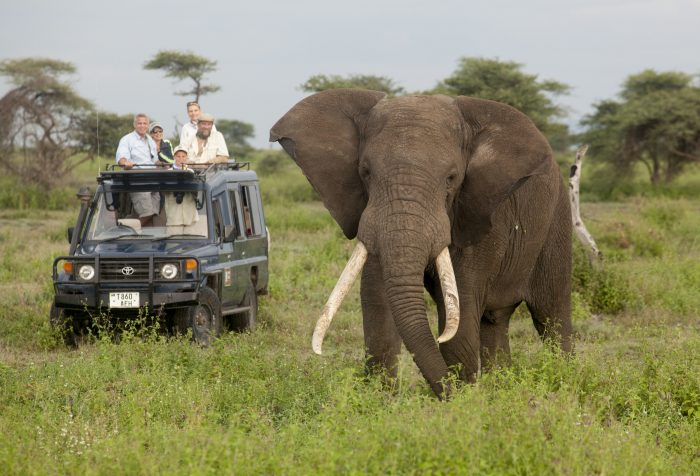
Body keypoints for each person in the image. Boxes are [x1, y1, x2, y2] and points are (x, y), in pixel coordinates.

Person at [115, 113, 159, 226]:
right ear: (134, 125)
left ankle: (137, 232)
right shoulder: (127, 139)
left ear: (148, 125)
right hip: (139, 180)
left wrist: (166, 164)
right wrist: (126, 163)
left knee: (154, 213)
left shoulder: (150, 140)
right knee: (147, 213)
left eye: (145, 123)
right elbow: (122, 158)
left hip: (154, 180)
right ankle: (125, 229)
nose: (142, 126)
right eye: (139, 123)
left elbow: (154, 161)